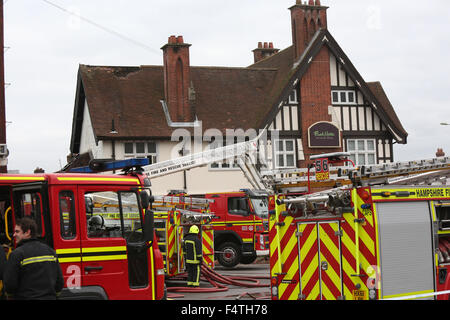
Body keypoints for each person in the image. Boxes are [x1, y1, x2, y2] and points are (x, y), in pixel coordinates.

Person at [3, 217, 64, 300]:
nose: (14, 235)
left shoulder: (17, 254)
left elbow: (10, 285)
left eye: (17, 231)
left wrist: (10, 296)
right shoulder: (50, 251)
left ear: (27, 232)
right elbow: (59, 282)